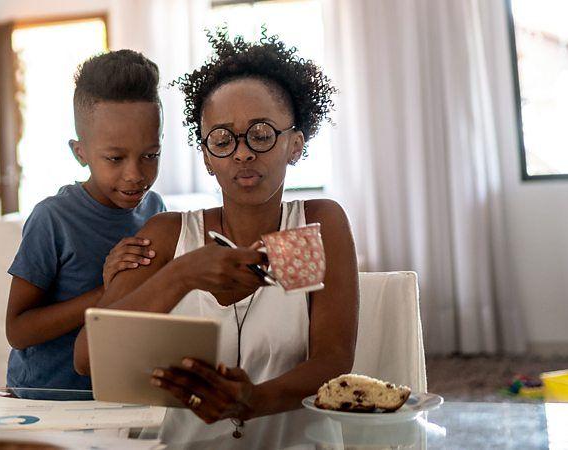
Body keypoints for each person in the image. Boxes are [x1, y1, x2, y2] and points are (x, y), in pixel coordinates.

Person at [74, 30, 359, 447]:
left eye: (260, 135)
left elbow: (331, 361)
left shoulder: (313, 225)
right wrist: (182, 273)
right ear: (207, 157)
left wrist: (253, 400)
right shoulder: (169, 235)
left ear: (295, 145)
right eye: (223, 140)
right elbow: (88, 359)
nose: (242, 153)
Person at [5, 49, 166, 390]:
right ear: (80, 153)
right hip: (48, 398)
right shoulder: (53, 219)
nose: (135, 174)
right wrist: (109, 291)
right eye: (115, 158)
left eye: (150, 155)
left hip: (119, 393)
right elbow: (17, 331)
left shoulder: (155, 211)